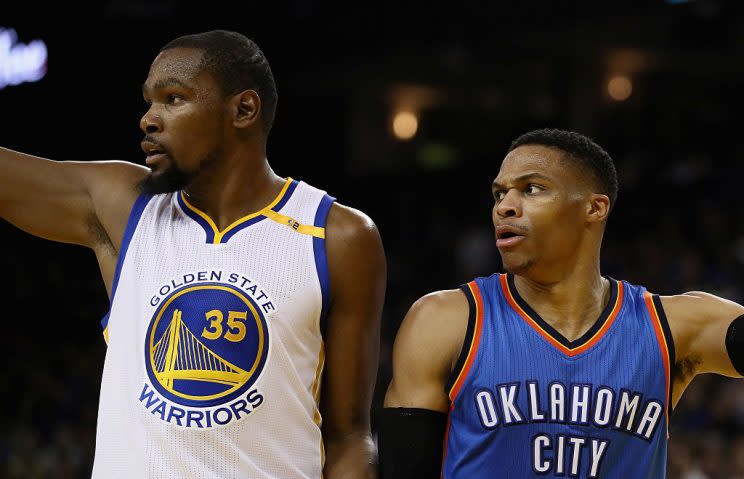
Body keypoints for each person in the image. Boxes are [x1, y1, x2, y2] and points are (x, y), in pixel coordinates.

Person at [0, 29, 385, 479]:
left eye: (173, 99)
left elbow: (350, 437)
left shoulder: (338, 235)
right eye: (148, 101)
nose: (148, 118)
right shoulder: (125, 207)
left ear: (243, 109)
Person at [378, 128, 744, 478]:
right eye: (499, 194)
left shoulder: (673, 326)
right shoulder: (445, 320)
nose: (505, 206)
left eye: (531, 189)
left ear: (594, 208)